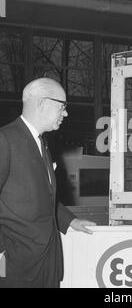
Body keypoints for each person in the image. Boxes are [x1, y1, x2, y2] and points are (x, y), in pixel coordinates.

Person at [0, 78, 96, 288]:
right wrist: (2, 256)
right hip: (16, 266)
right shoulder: (4, 140)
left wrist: (70, 222)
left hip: (47, 261)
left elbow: (44, 196)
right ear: (42, 103)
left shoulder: (41, 142)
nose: (66, 113)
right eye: (62, 106)